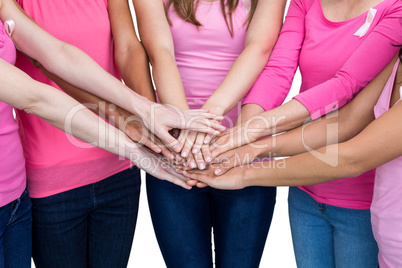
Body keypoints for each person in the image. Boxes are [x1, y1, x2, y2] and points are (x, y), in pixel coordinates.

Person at [0, 0, 223, 267]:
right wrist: (131, 138)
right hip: (48, 179)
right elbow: (37, 95)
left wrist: (147, 111)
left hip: (17, 199)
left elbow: (58, 53)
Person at [187, 0, 402, 266]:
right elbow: (278, 70)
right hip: (303, 185)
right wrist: (242, 140)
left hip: (361, 201)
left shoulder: (395, 9)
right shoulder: (306, 2)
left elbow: (347, 90)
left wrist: (252, 136)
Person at [133, 0, 286, 266]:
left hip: (242, 151)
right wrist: (184, 129)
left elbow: (259, 48)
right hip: (175, 151)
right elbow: (159, 52)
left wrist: (200, 126)